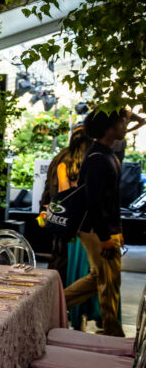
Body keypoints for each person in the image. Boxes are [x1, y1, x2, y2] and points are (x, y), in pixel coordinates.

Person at [64, 108, 128, 336]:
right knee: (108, 280)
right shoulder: (98, 158)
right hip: (94, 230)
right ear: (109, 127)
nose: (125, 125)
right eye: (122, 122)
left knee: (100, 277)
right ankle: (113, 332)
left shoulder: (108, 155)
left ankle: (56, 304)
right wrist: (104, 237)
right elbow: (94, 202)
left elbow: (112, 201)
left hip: (104, 229)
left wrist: (117, 230)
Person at [40, 125, 89, 279]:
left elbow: (58, 189)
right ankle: (65, 295)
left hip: (60, 215)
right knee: (73, 261)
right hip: (79, 220)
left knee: (59, 256)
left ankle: (55, 293)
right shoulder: (87, 163)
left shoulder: (61, 159)